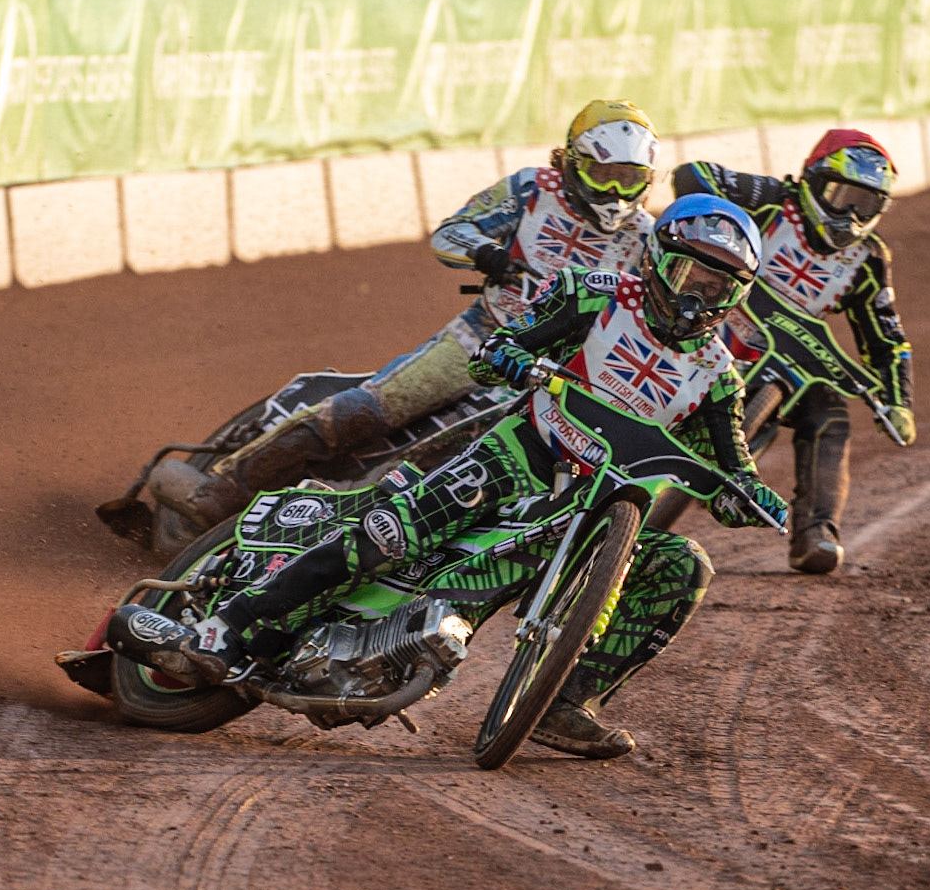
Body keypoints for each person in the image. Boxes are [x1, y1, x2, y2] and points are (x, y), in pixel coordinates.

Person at [135, 195, 787, 759]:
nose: (699, 296)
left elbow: (731, 467)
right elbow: (503, 346)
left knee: (683, 565)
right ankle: (228, 628)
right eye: (690, 274)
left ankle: (564, 703)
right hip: (517, 457)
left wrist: (752, 496)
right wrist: (510, 357)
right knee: (390, 533)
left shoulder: (718, 376)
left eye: (719, 287)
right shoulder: (592, 292)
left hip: (599, 511)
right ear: (656, 260)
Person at [151, 99, 663, 531]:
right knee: (367, 410)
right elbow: (451, 232)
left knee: (455, 463)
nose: (614, 193)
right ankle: (221, 492)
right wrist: (486, 252)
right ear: (572, 162)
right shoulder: (532, 189)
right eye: (602, 175)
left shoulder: (648, 239)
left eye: (629, 179)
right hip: (480, 339)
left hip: (545, 378)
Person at [672, 129, 914, 574]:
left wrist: (899, 402)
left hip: (791, 360)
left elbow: (886, 337)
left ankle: (816, 534)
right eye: (841, 196)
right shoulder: (774, 203)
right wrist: (748, 196)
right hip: (708, 328)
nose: (850, 214)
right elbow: (691, 175)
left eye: (866, 204)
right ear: (812, 181)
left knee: (830, 414)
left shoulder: (868, 258)